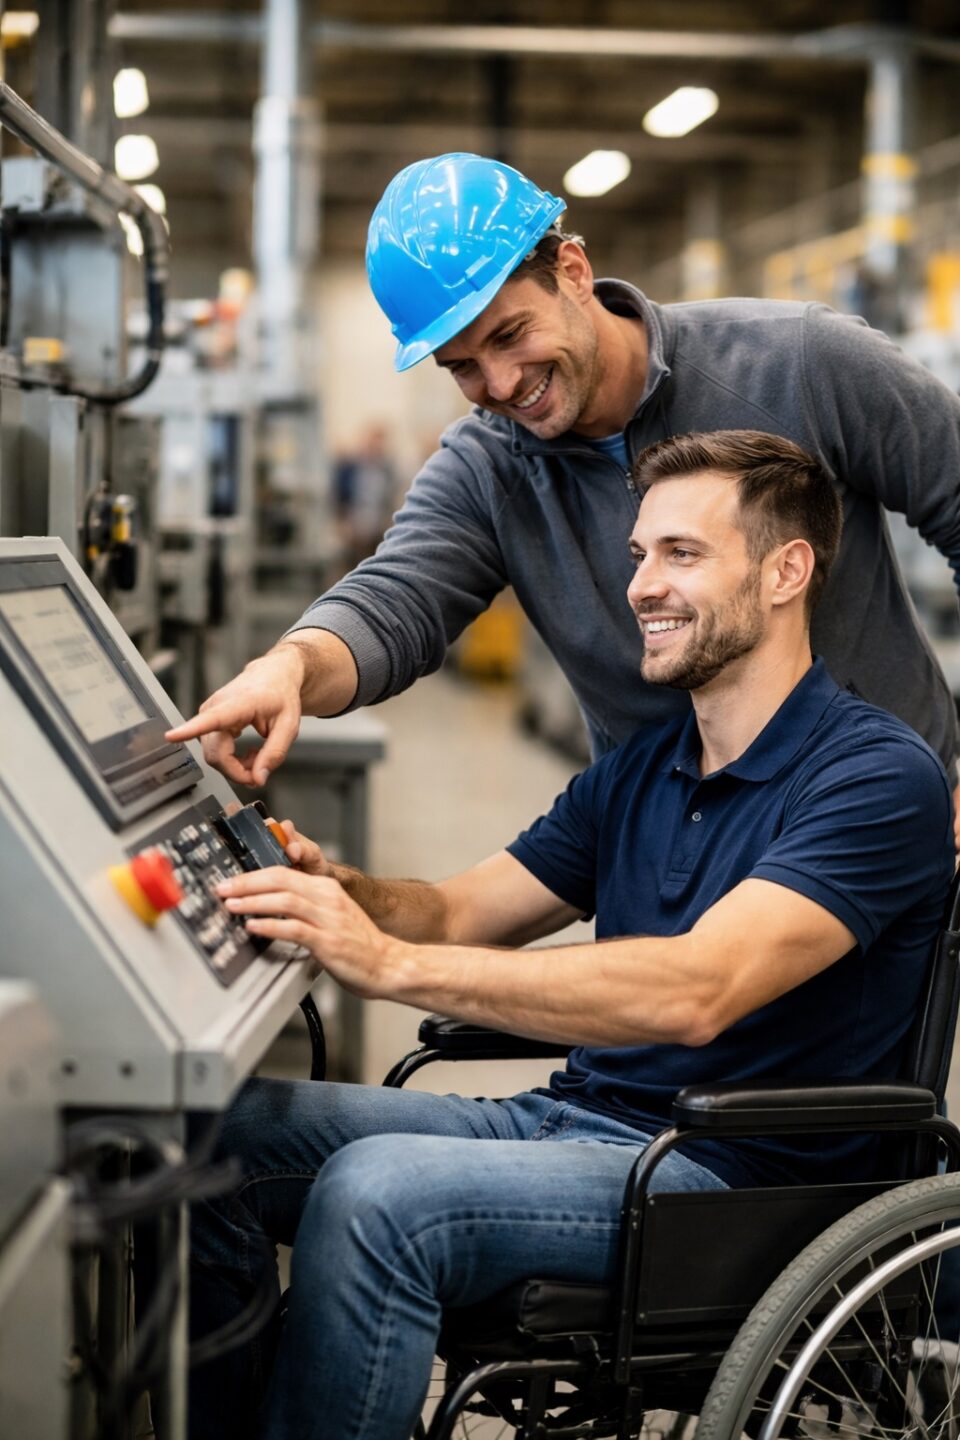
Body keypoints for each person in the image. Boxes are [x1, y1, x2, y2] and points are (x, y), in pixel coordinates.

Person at [187, 431, 954, 1440]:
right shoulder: (645, 768)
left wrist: (391, 968)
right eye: (639, 556)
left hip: (729, 1182)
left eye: (681, 553)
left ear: (786, 571)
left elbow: (698, 989)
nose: (641, 586)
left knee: (380, 1195)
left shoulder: (875, 778)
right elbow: (464, 910)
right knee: (208, 1136)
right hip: (577, 1128)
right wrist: (342, 891)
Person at [166, 152, 960, 831]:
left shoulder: (799, 363)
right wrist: (291, 667)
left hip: (880, 830)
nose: (503, 384)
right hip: (671, 860)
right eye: (463, 367)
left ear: (572, 271)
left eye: (510, 335)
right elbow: (396, 599)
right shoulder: (488, 467)